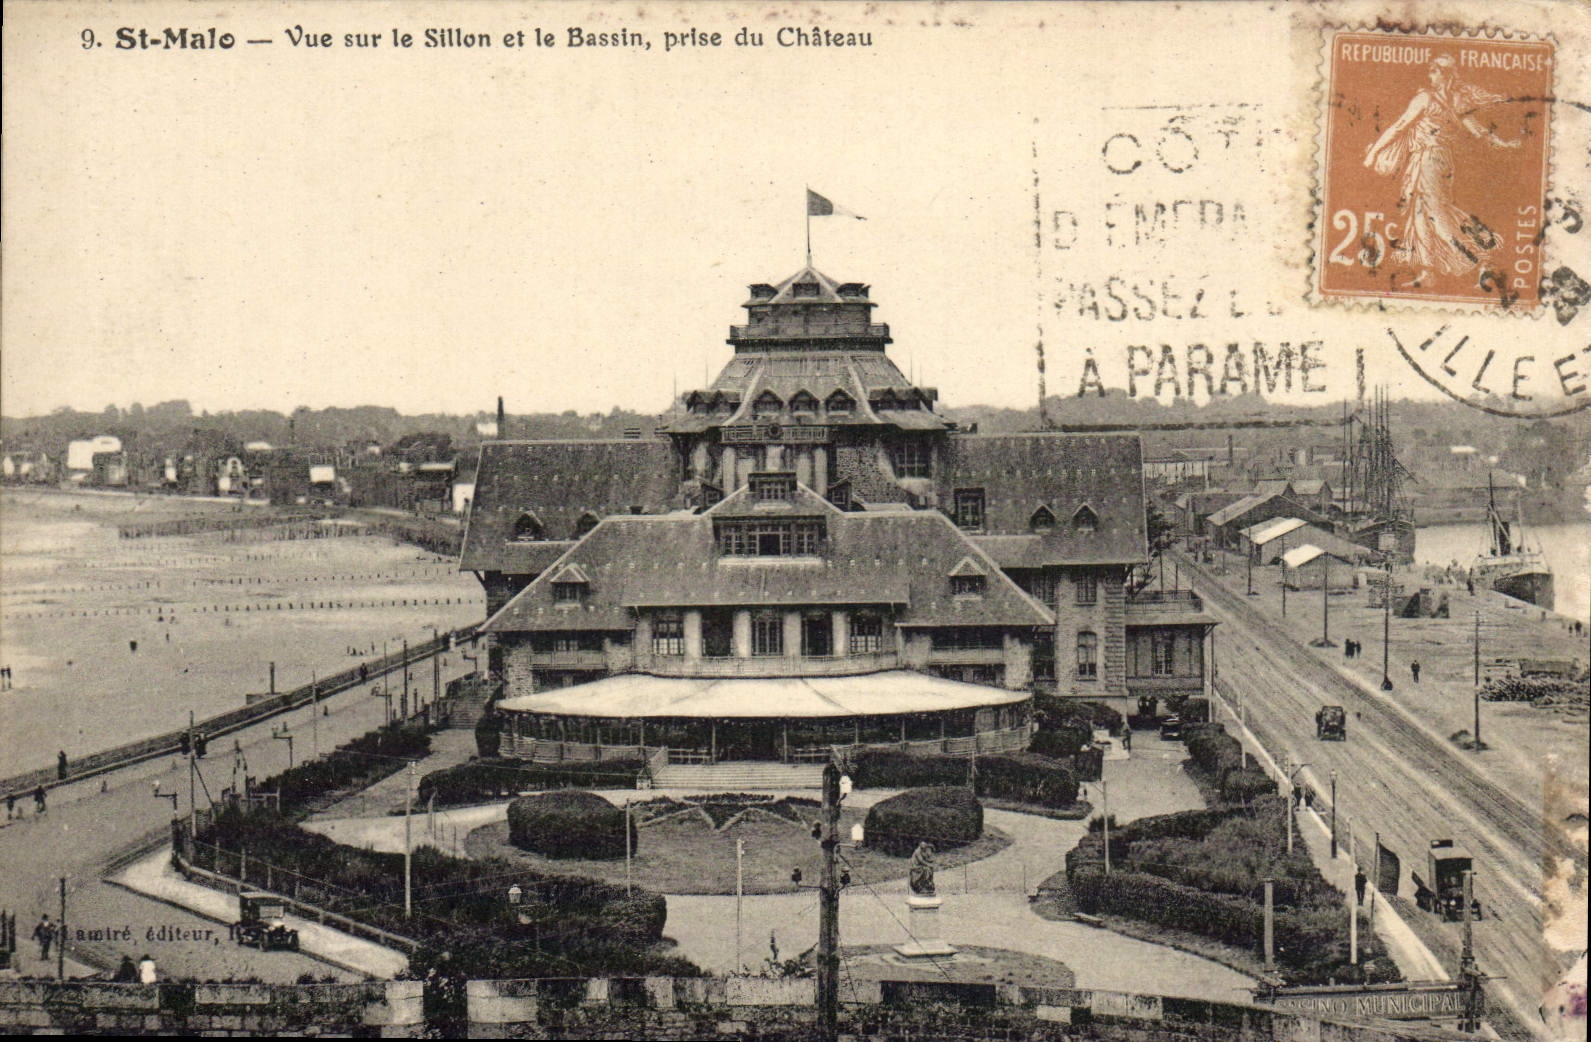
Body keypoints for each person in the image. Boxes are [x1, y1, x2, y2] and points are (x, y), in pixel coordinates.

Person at [1363, 54, 1523, 288]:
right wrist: (1502, 143)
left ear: (1443, 74)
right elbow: (1478, 130)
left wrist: (1373, 153)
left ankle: (1483, 259)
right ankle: (1429, 271)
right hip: (1438, 160)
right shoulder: (1457, 100)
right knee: (1420, 214)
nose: (1430, 75)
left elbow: (1399, 126)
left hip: (1428, 159)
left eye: (1434, 71)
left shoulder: (1425, 98)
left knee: (1436, 215)